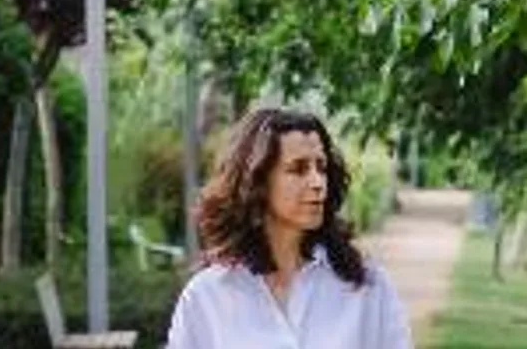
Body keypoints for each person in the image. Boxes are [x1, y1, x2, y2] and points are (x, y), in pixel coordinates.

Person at [165, 107, 413, 349]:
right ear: (257, 182)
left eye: (321, 167)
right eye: (298, 169)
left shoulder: (368, 286)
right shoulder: (206, 298)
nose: (318, 182)